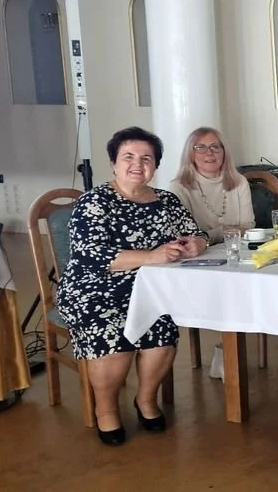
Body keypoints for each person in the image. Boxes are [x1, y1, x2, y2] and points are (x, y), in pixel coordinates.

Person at [55, 127, 208, 445]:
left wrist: (198, 243)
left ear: (155, 165)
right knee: (113, 334)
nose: (137, 164)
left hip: (150, 288)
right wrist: (150, 256)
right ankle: (106, 409)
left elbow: (195, 233)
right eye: (128, 157)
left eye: (146, 158)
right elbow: (91, 254)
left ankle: (146, 399)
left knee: (162, 331)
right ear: (113, 162)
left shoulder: (167, 201)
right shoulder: (95, 202)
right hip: (94, 288)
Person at [168, 127, 257, 379]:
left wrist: (208, 236)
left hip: (235, 254)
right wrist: (224, 232)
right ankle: (225, 350)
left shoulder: (238, 182)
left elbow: (248, 225)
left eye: (216, 147)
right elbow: (185, 236)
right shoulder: (179, 187)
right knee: (227, 287)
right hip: (197, 262)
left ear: (224, 152)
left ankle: (226, 349)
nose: (209, 153)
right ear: (190, 153)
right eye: (201, 147)